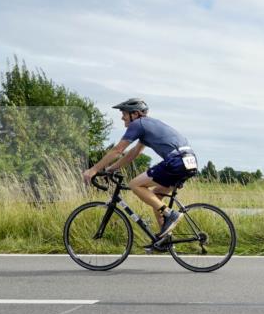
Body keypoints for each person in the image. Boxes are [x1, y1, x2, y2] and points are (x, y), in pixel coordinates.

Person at [82, 98, 197, 244]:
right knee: (155, 196)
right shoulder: (148, 125)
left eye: (124, 113)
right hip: (189, 161)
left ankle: (170, 214)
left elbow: (118, 150)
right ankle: (164, 240)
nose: (122, 117)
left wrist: (93, 169)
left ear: (135, 114)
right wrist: (111, 168)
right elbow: (134, 153)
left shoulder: (138, 124)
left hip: (176, 160)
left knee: (135, 184)